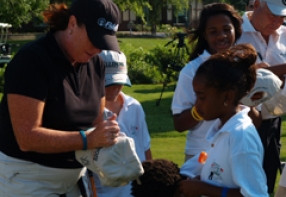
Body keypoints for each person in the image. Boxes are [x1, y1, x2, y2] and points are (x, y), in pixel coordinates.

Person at [0, 0, 121, 196]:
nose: (99, 49)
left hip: (74, 179)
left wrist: (106, 135)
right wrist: (87, 139)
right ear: (72, 24)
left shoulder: (96, 64)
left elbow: (95, 125)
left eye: (104, 42)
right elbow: (27, 138)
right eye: (95, 39)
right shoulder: (31, 60)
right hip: (27, 179)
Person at [172, 3, 261, 162]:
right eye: (213, 31)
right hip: (200, 154)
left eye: (227, 29)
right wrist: (207, 103)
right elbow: (179, 124)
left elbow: (256, 121)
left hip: (237, 151)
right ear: (205, 35)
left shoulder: (245, 67)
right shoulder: (192, 71)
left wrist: (246, 98)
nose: (221, 35)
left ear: (236, 30)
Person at [178, 43, 268, 197]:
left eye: (202, 97)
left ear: (228, 96)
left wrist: (202, 189)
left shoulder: (241, 136)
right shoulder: (222, 129)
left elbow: (255, 195)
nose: (196, 103)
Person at [237, 0, 286, 193]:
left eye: (282, 16)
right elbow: (238, 77)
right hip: (242, 121)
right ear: (256, 5)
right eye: (272, 14)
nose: (277, 21)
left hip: (273, 121)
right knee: (242, 183)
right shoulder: (233, 32)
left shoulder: (284, 35)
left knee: (267, 182)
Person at [92, 50, 152, 197]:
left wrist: (150, 184)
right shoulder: (88, 112)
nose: (115, 88)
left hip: (135, 192)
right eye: (109, 82)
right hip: (104, 193)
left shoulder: (135, 107)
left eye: (120, 82)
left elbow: (145, 149)